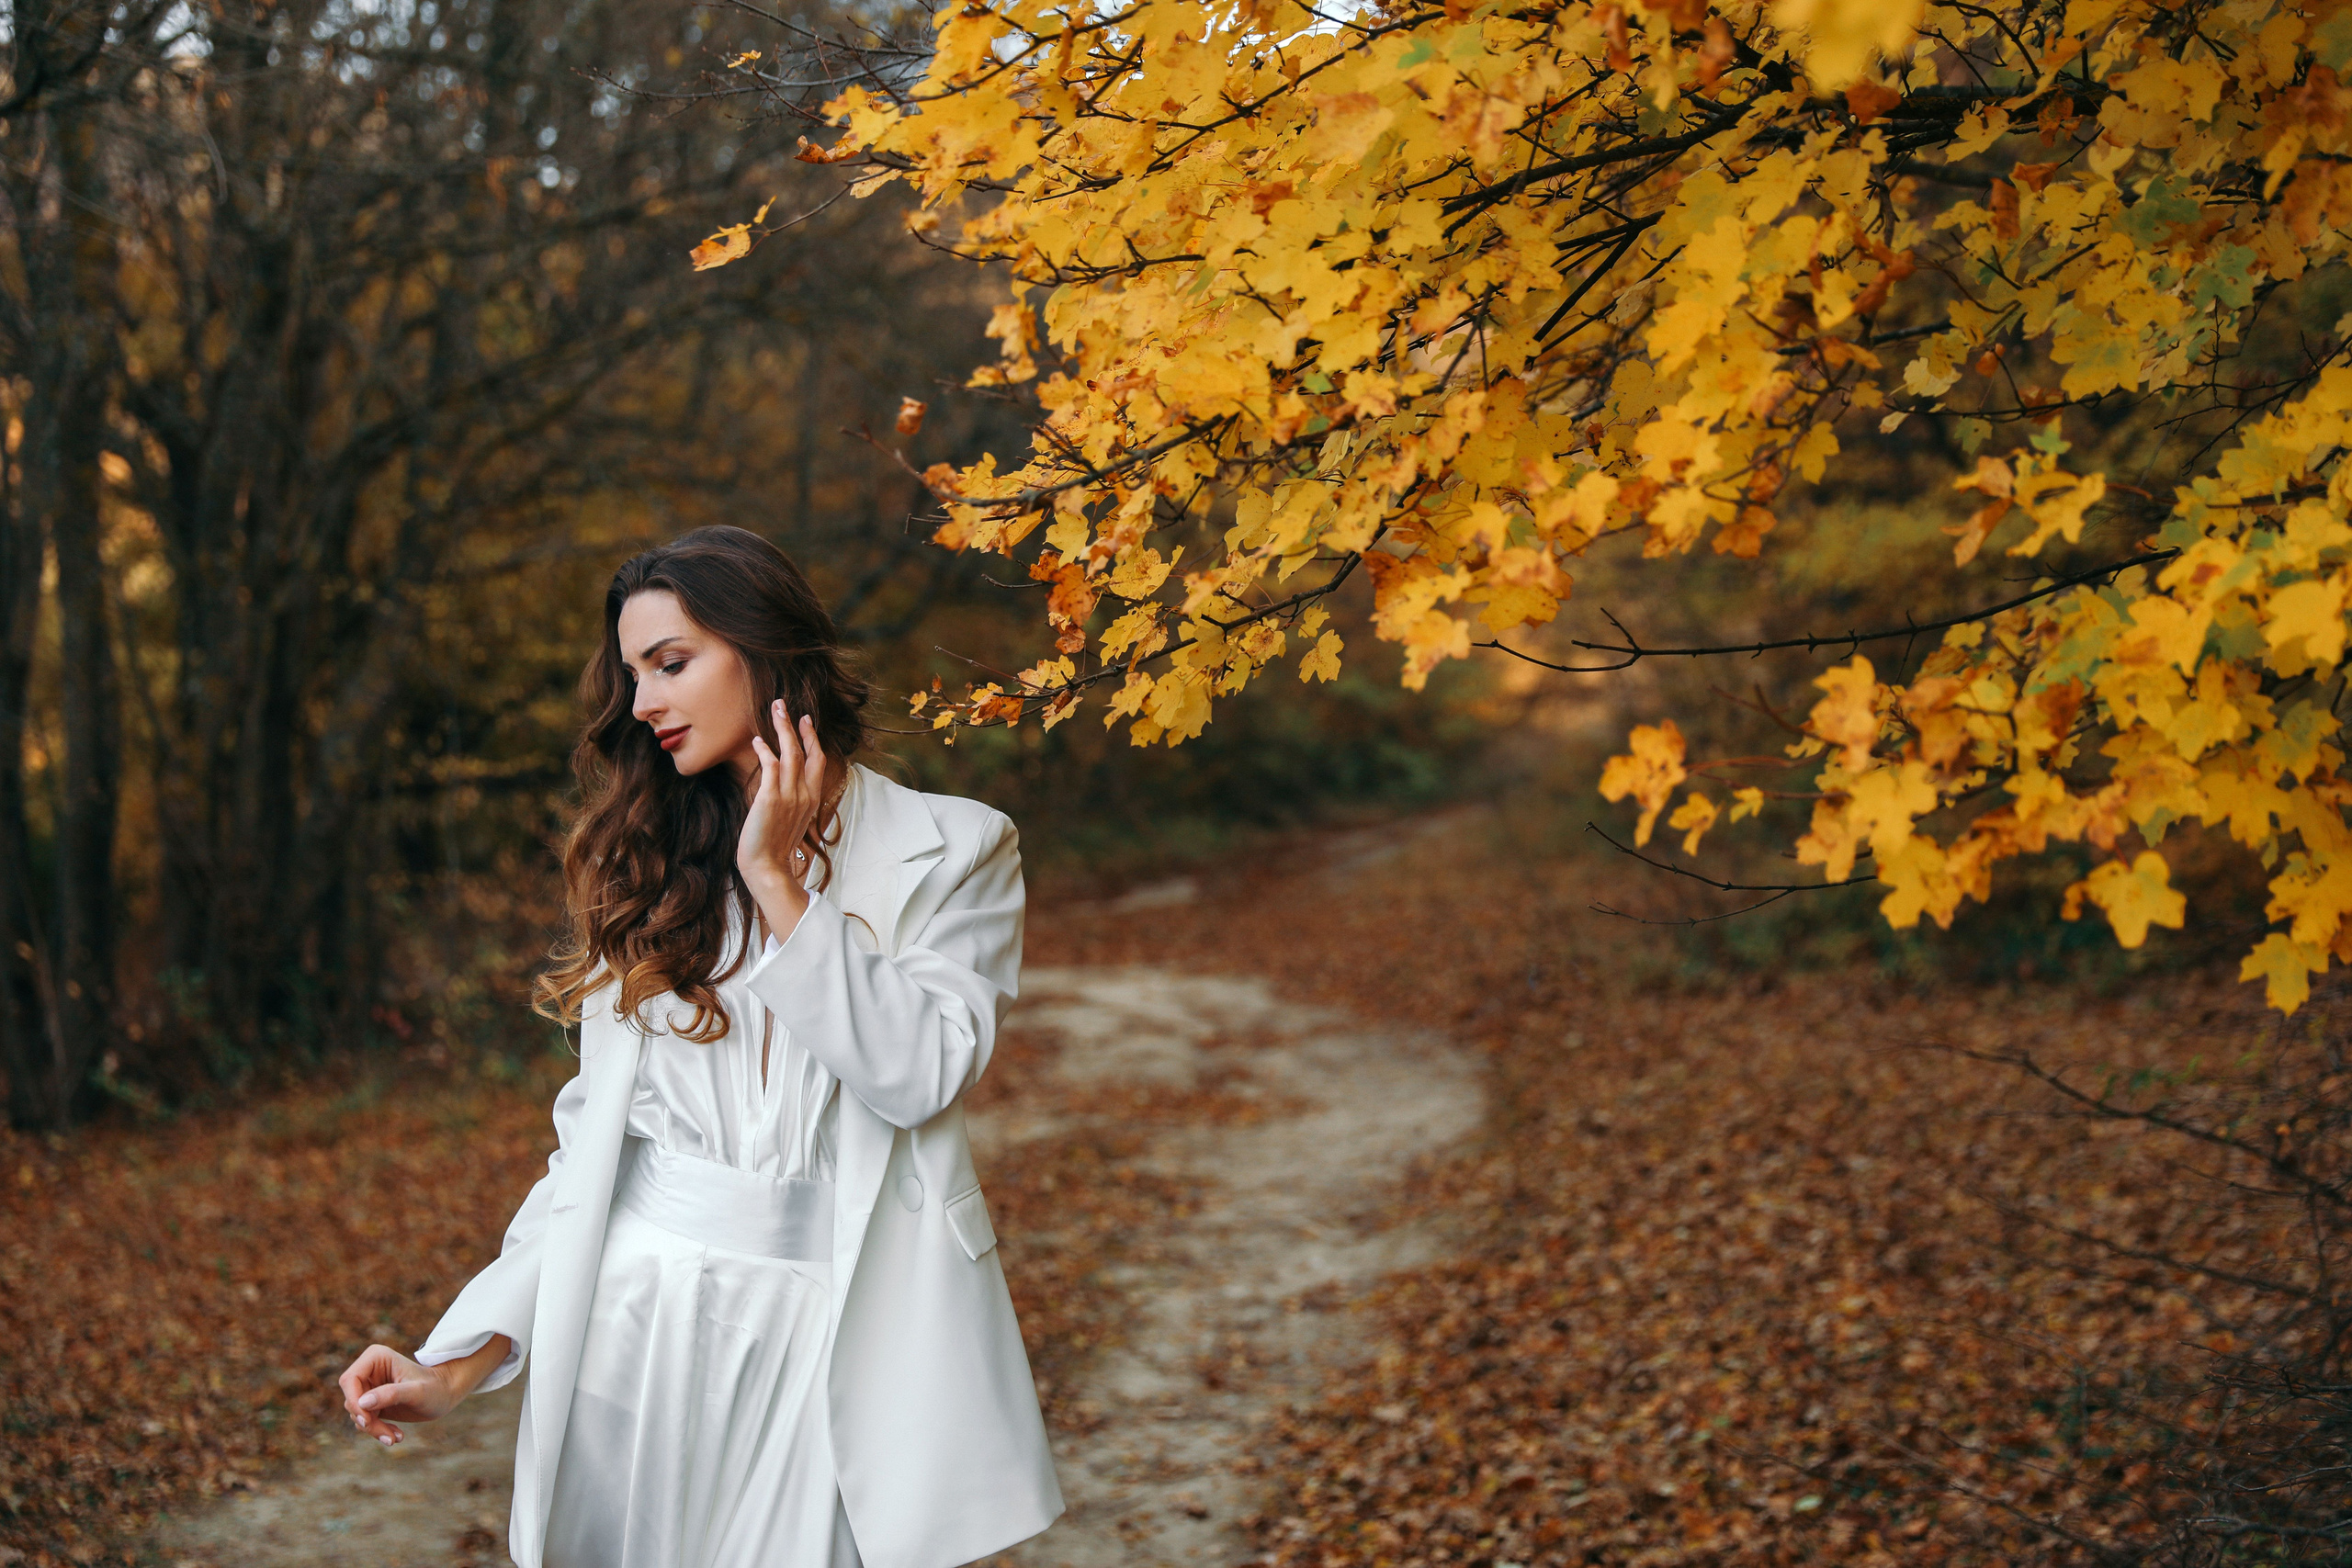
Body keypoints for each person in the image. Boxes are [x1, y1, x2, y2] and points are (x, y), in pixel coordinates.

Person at [334, 526, 1062, 1568]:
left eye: (670, 664)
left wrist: (777, 883)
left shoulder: (958, 847)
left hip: (841, 1331)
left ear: (767, 654)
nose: (641, 703)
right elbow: (590, 1167)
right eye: (632, 676)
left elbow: (916, 1075)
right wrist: (455, 1363)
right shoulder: (644, 869)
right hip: (639, 1330)